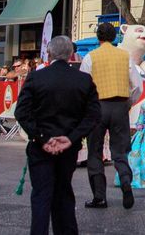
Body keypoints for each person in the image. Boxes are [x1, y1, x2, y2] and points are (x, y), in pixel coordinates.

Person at [16, 36, 100, 235]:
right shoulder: (82, 79)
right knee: (63, 192)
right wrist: (71, 138)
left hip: (41, 145)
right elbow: (93, 115)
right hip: (68, 145)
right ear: (71, 54)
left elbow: (22, 112)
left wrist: (41, 137)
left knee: (41, 196)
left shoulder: (36, 77)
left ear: (49, 53)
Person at [78, 22, 141, 210]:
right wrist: (127, 103)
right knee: (120, 151)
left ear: (98, 37)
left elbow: (83, 86)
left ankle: (99, 197)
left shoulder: (90, 57)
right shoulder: (125, 56)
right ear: (115, 37)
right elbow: (137, 86)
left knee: (95, 151)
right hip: (119, 105)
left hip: (98, 106)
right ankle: (125, 182)